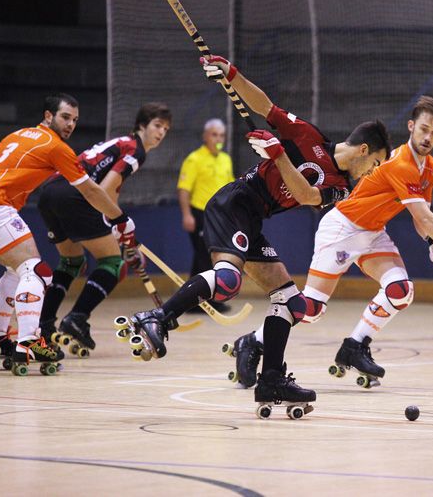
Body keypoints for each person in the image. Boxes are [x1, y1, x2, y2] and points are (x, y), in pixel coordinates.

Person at [121, 55, 391, 412]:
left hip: (254, 219)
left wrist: (278, 155)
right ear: (363, 150)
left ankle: (271, 381)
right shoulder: (308, 135)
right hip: (233, 203)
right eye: (374, 164)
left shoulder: (342, 186)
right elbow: (265, 106)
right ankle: (157, 317)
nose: (372, 172)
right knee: (228, 280)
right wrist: (232, 74)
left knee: (290, 302)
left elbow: (307, 195)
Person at [228, 96, 433, 389]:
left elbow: (423, 219)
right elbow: (421, 214)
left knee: (400, 290)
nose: (428, 137)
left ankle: (354, 346)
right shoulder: (400, 163)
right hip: (342, 228)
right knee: (311, 308)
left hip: (372, 233)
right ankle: (254, 341)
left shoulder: (429, 168)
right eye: (424, 129)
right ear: (411, 126)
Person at [0, 93, 137, 374]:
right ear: (48, 116)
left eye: (75, 120)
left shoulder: (17, 135)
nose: (70, 124)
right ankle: (29, 342)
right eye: (65, 117)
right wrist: (120, 219)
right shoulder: (56, 147)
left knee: (16, 272)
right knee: (37, 270)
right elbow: (89, 190)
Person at [37, 102, 172, 354]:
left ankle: (43, 326)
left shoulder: (121, 143)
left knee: (71, 262)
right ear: (142, 125)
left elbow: (109, 195)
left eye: (166, 128)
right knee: (113, 263)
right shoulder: (135, 150)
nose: (161, 132)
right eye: (157, 125)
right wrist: (118, 229)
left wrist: (117, 229)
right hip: (75, 195)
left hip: (50, 193)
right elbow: (107, 189)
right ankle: (76, 318)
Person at [177, 118, 235, 313]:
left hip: (220, 215)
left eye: (221, 135)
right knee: (206, 256)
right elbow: (184, 189)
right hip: (200, 213)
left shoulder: (225, 159)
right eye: (214, 134)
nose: (218, 138)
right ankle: (208, 301)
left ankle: (193, 300)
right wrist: (187, 215)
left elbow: (230, 187)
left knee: (206, 257)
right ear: (205, 136)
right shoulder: (194, 159)